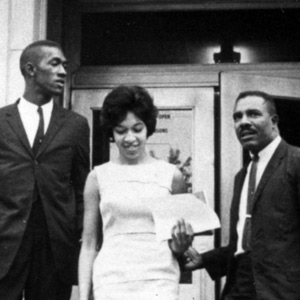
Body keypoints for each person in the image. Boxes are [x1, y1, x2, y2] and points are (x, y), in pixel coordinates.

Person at [79, 85, 193, 300]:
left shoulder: (172, 176)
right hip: (111, 280)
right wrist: (83, 296)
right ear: (112, 132)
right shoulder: (97, 177)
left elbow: (180, 244)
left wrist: (180, 246)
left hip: (160, 279)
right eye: (121, 131)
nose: (130, 138)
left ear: (148, 128)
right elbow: (88, 245)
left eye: (137, 128)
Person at [184, 90, 300, 300]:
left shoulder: (295, 161)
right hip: (239, 287)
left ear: (274, 121)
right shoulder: (243, 175)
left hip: (282, 291)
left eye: (253, 114)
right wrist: (204, 260)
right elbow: (245, 244)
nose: (243, 122)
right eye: (237, 117)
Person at [0, 40, 90, 300]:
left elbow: (82, 186)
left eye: (64, 64)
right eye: (54, 63)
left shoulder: (76, 125)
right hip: (6, 244)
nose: (63, 71)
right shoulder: (1, 122)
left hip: (56, 247)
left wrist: (82, 237)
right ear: (30, 69)